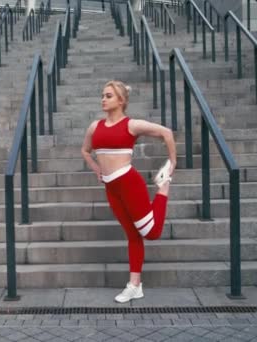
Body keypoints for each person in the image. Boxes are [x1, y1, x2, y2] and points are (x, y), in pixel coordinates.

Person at [81, 80, 177, 303]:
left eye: (108, 96)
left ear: (121, 100)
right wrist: (97, 169)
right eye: (102, 95)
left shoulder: (131, 125)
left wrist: (172, 163)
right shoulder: (95, 126)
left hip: (128, 182)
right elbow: (85, 151)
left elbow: (166, 133)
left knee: (151, 233)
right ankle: (135, 286)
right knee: (133, 235)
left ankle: (164, 187)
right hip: (111, 187)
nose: (103, 99)